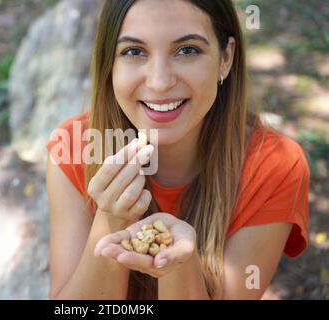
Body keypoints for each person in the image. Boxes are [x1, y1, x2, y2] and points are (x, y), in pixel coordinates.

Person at [46, 0, 310, 299]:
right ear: (110, 63)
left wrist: (177, 265)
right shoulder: (74, 147)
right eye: (134, 51)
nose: (159, 83)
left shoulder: (275, 166)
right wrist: (110, 220)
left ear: (226, 57)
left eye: (187, 50)